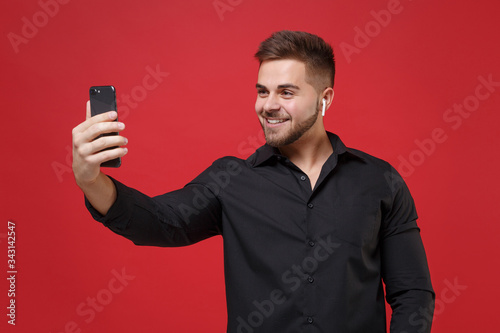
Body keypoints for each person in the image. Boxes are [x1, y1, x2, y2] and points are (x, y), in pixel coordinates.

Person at [72, 30, 435, 332]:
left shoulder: (380, 180)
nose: (268, 105)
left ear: (325, 100)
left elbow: (413, 294)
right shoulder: (231, 180)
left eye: (286, 92)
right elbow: (158, 222)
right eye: (262, 91)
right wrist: (90, 178)